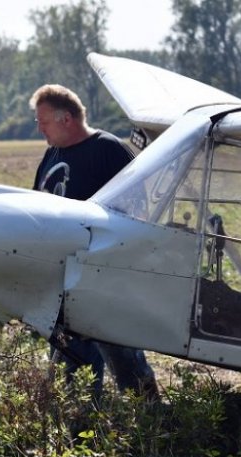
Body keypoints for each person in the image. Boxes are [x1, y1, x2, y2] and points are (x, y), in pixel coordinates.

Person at [30, 84, 159, 400]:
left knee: (123, 354)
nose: (39, 128)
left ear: (67, 120)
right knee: (69, 358)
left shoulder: (109, 150)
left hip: (104, 277)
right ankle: (80, 423)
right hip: (62, 277)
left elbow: (138, 210)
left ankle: (153, 420)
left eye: (43, 121)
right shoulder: (52, 155)